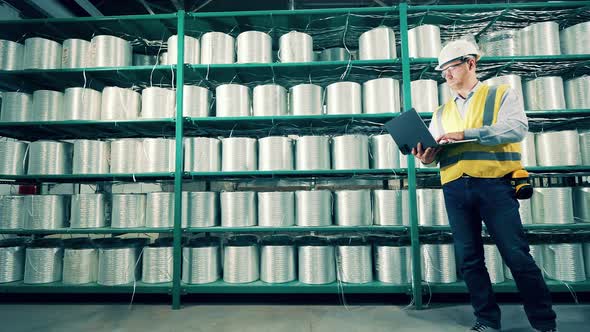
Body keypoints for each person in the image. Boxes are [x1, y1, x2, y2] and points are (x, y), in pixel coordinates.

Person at [411, 39, 558, 332]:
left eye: (450, 68)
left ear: (470, 63)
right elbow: (431, 155)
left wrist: (466, 133)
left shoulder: (501, 94)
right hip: (455, 189)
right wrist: (425, 156)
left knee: (517, 255)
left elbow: (517, 127)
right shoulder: (441, 112)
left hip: (495, 185)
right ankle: (487, 320)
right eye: (442, 72)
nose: (446, 76)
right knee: (469, 259)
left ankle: (544, 323)